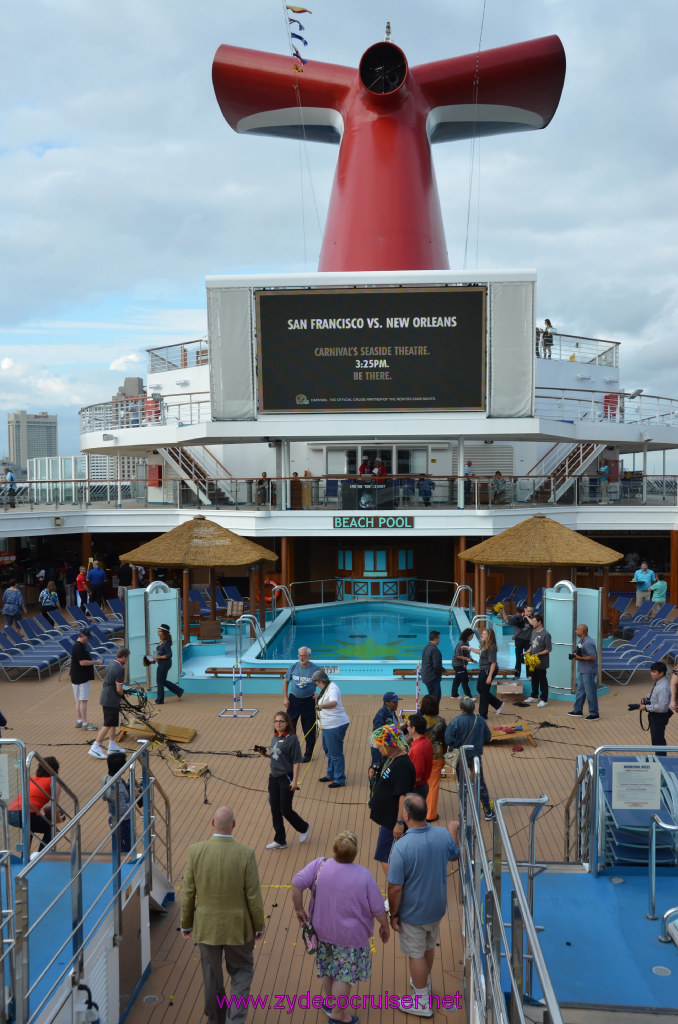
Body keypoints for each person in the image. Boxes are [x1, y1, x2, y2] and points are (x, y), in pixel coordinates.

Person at [291, 831, 389, 1024]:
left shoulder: (320, 865)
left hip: (322, 930)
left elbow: (296, 885)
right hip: (351, 937)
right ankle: (337, 1014)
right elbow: (378, 908)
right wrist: (384, 926)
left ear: (334, 850)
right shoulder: (364, 875)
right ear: (354, 853)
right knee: (344, 975)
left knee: (328, 968)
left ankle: (329, 1003)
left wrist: (299, 909)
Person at [181, 805, 265, 1024]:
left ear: (212, 823)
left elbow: (188, 892)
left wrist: (186, 924)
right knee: (242, 970)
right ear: (234, 825)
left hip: (207, 927)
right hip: (239, 928)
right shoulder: (246, 853)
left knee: (211, 975)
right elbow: (253, 896)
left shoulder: (196, 851)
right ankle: (235, 1020)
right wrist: (259, 925)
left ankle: (216, 1020)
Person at [387, 794, 460, 1018]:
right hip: (436, 909)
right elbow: (455, 854)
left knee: (415, 953)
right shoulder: (441, 835)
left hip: (413, 913)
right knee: (429, 946)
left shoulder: (402, 847)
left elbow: (395, 888)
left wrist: (394, 913)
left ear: (406, 816)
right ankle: (424, 983)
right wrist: (452, 829)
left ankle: (421, 1001)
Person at [257, 711, 310, 850]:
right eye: (276, 721)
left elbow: (296, 761)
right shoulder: (275, 737)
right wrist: (265, 755)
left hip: (286, 778)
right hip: (273, 777)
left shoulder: (292, 739)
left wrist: (294, 781)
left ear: (287, 723)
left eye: (281, 721)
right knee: (275, 809)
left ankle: (304, 827)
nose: (278, 723)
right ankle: (280, 840)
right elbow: (277, 757)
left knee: (285, 809)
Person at [369, 723, 416, 879]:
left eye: (381, 745)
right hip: (388, 820)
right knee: (389, 856)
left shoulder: (402, 766)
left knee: (384, 857)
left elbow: (403, 796)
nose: (378, 748)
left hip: (392, 823)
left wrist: (399, 823)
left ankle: (397, 891)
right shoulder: (392, 758)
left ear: (391, 745)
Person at [445, 697, 495, 820]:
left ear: (461, 707)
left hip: (460, 756)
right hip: (475, 757)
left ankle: (465, 814)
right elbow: (488, 737)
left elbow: (448, 740)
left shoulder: (455, 721)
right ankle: (488, 812)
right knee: (480, 782)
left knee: (463, 783)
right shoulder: (480, 720)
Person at [8, 756, 64, 852]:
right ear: (55, 769)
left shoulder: (33, 779)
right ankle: (41, 856)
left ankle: (24, 858)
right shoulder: (54, 781)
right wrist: (59, 819)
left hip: (10, 813)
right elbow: (55, 806)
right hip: (27, 813)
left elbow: (30, 801)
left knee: (29, 827)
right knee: (51, 829)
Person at [89, 647, 130, 759]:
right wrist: (124, 693)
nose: (127, 660)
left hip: (106, 697)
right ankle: (95, 746)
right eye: (127, 657)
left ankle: (112, 746)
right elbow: (119, 689)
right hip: (111, 699)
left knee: (112, 722)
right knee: (107, 724)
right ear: (124, 657)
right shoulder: (120, 669)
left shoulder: (112, 663)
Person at [313, 669, 350, 788]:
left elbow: (333, 702)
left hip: (335, 725)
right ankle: (331, 774)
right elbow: (327, 698)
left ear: (320, 681)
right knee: (328, 750)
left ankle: (339, 779)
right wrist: (319, 697)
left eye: (316, 683)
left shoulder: (332, 688)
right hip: (327, 726)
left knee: (335, 752)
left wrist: (321, 706)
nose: (317, 686)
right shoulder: (326, 688)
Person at [283, 646, 320, 762]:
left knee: (309, 730)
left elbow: (325, 684)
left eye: (304, 655)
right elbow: (286, 682)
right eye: (299, 655)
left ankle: (308, 754)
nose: (301, 657)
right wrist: (285, 698)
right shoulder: (293, 666)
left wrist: (320, 695)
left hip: (309, 702)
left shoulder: (315, 669)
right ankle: (291, 751)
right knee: (289, 728)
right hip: (293, 701)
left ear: (309, 656)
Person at [101, 750, 139, 854]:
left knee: (120, 846)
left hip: (113, 818)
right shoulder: (117, 788)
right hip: (122, 823)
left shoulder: (105, 779)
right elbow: (123, 811)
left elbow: (104, 797)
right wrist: (133, 797)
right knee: (125, 850)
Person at [633, 662, 673, 754]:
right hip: (655, 716)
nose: (651, 674)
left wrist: (646, 707)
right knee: (656, 740)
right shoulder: (659, 683)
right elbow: (657, 697)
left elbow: (662, 707)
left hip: (659, 717)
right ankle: (660, 760)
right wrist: (649, 697)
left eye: (654, 672)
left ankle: (662, 762)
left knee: (658, 742)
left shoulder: (663, 688)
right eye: (651, 671)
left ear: (661, 673)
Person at [70, 626, 103, 731]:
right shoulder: (78, 647)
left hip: (76, 676)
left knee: (78, 700)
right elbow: (82, 662)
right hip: (81, 677)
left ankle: (79, 720)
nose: (88, 640)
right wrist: (96, 662)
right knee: (83, 700)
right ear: (82, 636)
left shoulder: (78, 645)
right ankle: (84, 723)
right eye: (87, 638)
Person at [419, 695, 446, 823]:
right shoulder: (441, 721)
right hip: (436, 755)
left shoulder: (419, 721)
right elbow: (445, 740)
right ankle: (430, 815)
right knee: (433, 786)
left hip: (421, 754)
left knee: (419, 783)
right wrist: (444, 753)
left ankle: (417, 811)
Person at [567, 624, 600, 720]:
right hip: (583, 670)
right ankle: (577, 710)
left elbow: (593, 657)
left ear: (583, 632)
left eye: (577, 629)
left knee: (590, 692)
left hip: (589, 671)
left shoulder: (588, 643)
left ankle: (594, 714)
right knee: (581, 691)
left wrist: (579, 658)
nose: (575, 631)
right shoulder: (582, 640)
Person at [369, 691, 403, 781]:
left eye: (397, 702)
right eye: (394, 702)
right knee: (378, 771)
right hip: (380, 750)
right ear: (386, 702)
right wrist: (396, 728)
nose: (396, 704)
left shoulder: (391, 712)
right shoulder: (381, 715)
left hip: (388, 748)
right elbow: (378, 733)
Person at [470, 627, 503, 718]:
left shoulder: (492, 647)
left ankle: (483, 714)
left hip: (488, 669)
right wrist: (469, 648)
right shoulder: (485, 645)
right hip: (484, 669)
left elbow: (493, 662)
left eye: (484, 634)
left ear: (489, 636)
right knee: (481, 689)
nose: (482, 635)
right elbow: (479, 652)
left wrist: (489, 676)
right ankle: (498, 704)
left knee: (484, 691)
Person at [147, 624, 184, 704]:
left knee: (159, 682)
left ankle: (160, 700)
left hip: (164, 664)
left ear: (164, 632)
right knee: (162, 681)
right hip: (163, 663)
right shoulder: (161, 642)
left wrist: (157, 658)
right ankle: (179, 691)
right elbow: (160, 655)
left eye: (160, 631)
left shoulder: (166, 643)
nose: (158, 632)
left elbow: (169, 655)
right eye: (158, 630)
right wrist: (153, 660)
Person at [524, 612, 552, 707]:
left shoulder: (546, 634)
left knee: (542, 680)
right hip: (533, 661)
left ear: (539, 622)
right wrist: (528, 650)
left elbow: (549, 649)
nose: (532, 623)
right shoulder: (533, 632)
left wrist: (538, 654)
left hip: (542, 662)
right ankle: (534, 696)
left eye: (534, 621)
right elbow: (532, 645)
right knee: (534, 679)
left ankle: (544, 699)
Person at [501, 604, 534, 679]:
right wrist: (503, 612)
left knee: (528, 658)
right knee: (518, 657)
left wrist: (526, 617)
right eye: (528, 611)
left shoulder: (532, 617)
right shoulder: (517, 616)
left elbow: (533, 623)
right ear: (525, 609)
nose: (530, 613)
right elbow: (508, 620)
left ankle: (529, 675)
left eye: (531, 611)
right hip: (519, 639)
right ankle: (517, 674)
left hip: (528, 640)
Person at [406, 714, 433, 801]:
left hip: (415, 790)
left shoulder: (418, 749)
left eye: (408, 726)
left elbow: (417, 777)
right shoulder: (426, 741)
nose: (407, 728)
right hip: (421, 787)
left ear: (413, 729)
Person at [420, 630, 447, 704]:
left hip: (426, 676)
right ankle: (430, 713)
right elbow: (437, 666)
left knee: (433, 696)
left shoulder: (426, 648)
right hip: (432, 677)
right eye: (439, 638)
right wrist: (444, 671)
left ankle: (429, 712)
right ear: (435, 639)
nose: (439, 640)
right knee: (435, 698)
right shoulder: (435, 650)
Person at [451, 627, 474, 698]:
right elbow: (457, 655)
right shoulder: (461, 643)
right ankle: (469, 696)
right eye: (471, 635)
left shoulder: (466, 643)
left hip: (461, 664)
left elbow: (466, 653)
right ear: (468, 635)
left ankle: (454, 694)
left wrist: (471, 659)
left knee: (457, 679)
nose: (472, 637)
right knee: (464, 679)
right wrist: (466, 658)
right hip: (458, 665)